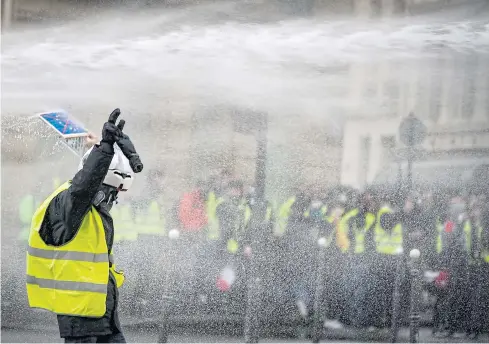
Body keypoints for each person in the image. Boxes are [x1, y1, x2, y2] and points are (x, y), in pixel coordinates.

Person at [25, 109, 143, 343]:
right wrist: (105, 148)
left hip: (102, 315)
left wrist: (97, 147)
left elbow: (88, 175)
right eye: (112, 192)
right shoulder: (69, 203)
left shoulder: (88, 210)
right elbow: (85, 184)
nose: (112, 200)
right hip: (81, 320)